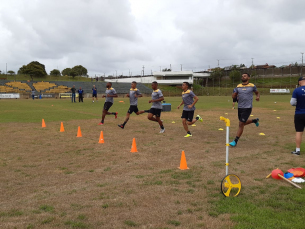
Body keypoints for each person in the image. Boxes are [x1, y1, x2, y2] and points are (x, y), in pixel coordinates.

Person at [229, 73, 260, 147]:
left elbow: (257, 93)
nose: (243, 77)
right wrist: (233, 95)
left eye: (245, 76)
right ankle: (254, 120)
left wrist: (257, 97)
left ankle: (235, 141)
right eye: (242, 76)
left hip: (248, 107)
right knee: (242, 122)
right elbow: (234, 95)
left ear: (248, 77)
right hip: (240, 107)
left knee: (241, 124)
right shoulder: (238, 86)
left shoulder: (252, 86)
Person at [290, 76, 305, 155]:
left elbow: (292, 102)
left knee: (299, 132)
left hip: (299, 113)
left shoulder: (297, 90)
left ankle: (298, 150)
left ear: (299, 82)